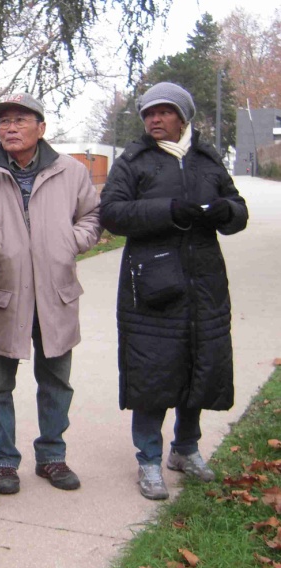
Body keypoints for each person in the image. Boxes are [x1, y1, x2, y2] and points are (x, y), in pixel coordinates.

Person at [100, 82, 248, 500]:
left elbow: (238, 211)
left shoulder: (206, 158)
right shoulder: (134, 160)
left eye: (163, 112)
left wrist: (226, 212)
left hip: (204, 282)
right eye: (148, 113)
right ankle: (149, 459)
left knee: (200, 365)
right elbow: (112, 213)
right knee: (154, 372)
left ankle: (186, 449)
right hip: (152, 285)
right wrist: (167, 210)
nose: (154, 120)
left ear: (183, 117)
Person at [0, 93, 102, 495]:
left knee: (56, 383)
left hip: (55, 293)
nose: (9, 128)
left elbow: (93, 215)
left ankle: (52, 456)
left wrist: (70, 242)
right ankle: (4, 462)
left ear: (41, 128)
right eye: (3, 121)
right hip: (5, 295)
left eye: (19, 120)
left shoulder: (71, 171)